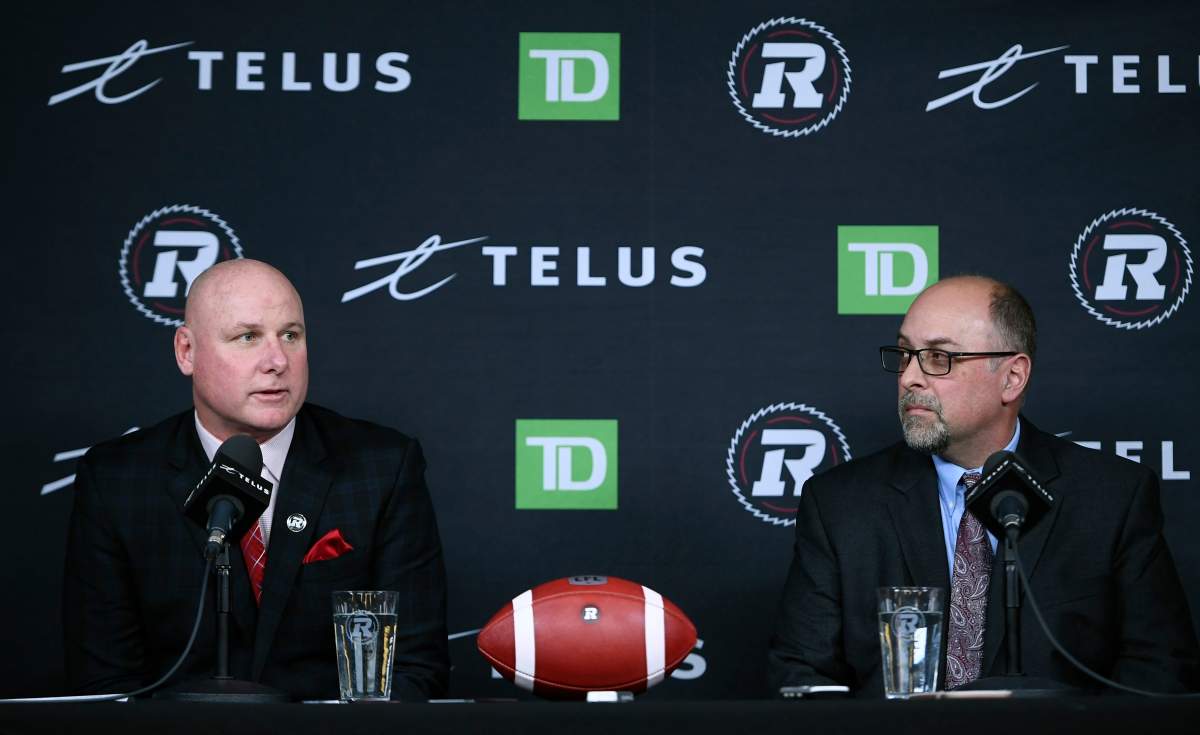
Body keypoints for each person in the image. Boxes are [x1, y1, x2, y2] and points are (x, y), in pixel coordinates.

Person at [767, 275, 1199, 695]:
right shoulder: (840, 505)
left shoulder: (1111, 497)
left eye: (939, 358)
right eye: (904, 354)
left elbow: (1160, 670)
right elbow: (803, 675)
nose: (909, 378)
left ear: (1012, 377)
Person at [63, 259, 449, 701]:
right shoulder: (117, 480)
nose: (277, 361)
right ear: (186, 352)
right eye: (247, 337)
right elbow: (104, 685)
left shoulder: (381, 467)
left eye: (291, 335)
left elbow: (416, 669)